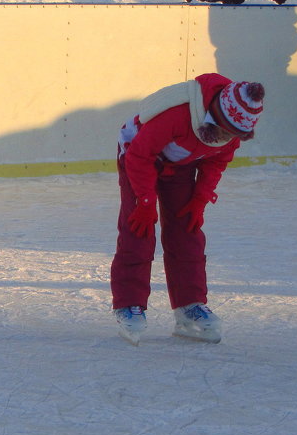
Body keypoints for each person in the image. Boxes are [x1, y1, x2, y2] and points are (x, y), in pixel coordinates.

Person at [110, 73, 264, 346]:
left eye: (234, 135)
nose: (227, 138)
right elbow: (139, 155)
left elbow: (215, 163)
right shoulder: (177, 116)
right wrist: (145, 202)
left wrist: (200, 199)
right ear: (214, 116)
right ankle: (129, 304)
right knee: (138, 229)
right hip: (138, 156)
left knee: (188, 231)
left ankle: (189, 305)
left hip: (181, 164)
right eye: (224, 130)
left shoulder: (232, 131)